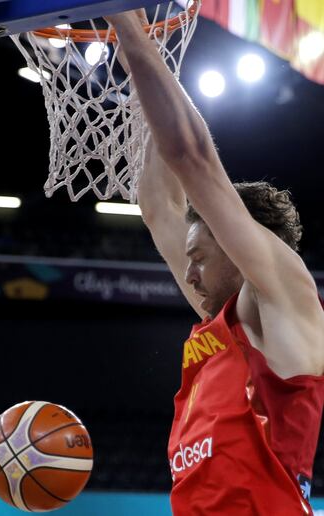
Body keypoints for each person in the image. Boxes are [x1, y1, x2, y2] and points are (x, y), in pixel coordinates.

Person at [106, 10, 324, 515]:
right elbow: (159, 207)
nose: (189, 275)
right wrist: (145, 70)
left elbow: (191, 157)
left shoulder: (281, 300)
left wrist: (131, 32)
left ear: (236, 242)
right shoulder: (220, 325)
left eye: (199, 256)